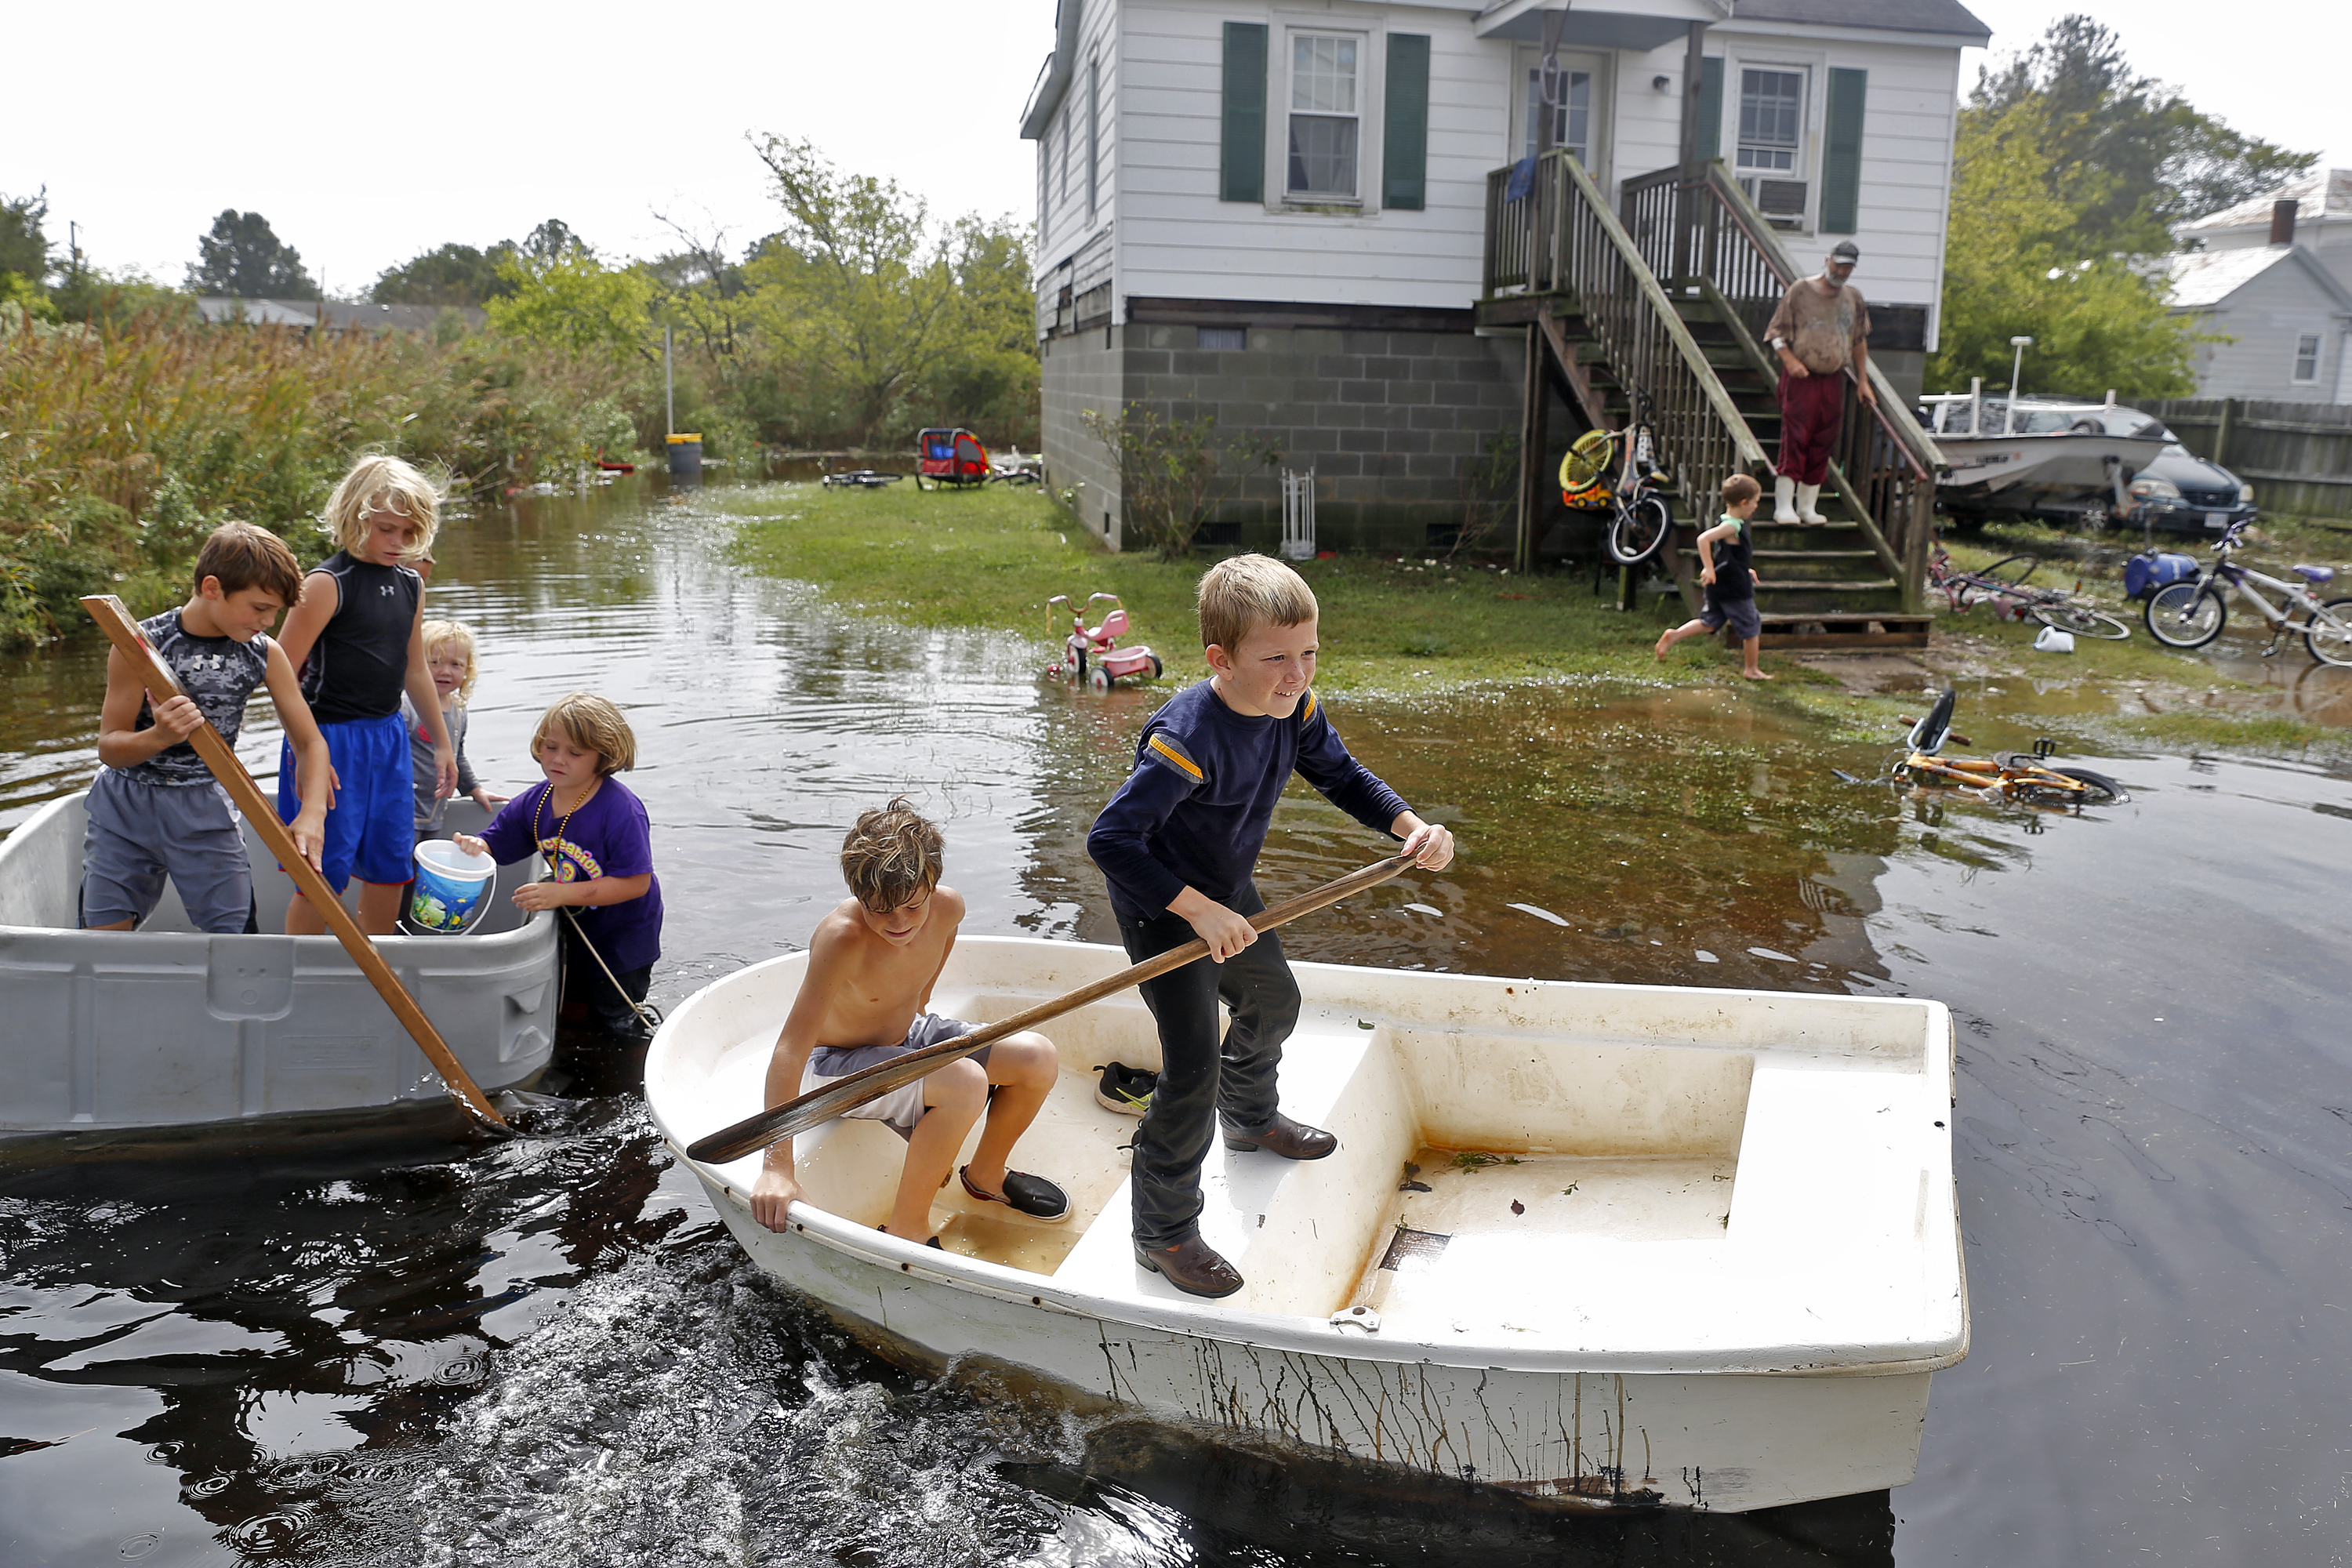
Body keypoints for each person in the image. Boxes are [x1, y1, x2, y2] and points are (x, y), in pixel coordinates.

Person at [1086, 554, 1455, 1299]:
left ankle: (1250, 1122)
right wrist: (1197, 909)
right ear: (1221, 660)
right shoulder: (1186, 737)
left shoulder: (1299, 710)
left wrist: (1409, 826)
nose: (1297, 673)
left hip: (1229, 894)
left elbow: (1344, 776)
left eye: (1309, 653)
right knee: (1191, 1070)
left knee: (1273, 1002)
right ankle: (1162, 1233)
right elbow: (1111, 841)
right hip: (1168, 911)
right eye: (1277, 658)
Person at [748, 800, 1069, 1247]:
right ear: (859, 896)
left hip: (907, 1037)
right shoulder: (842, 938)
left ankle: (986, 1175)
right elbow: (790, 1049)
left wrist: (920, 1003)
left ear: (932, 885)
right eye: (880, 910)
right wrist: (777, 1166)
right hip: (836, 1067)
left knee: (1037, 1056)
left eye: (913, 907)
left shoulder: (948, 908)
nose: (899, 923)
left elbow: (930, 963)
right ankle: (908, 1230)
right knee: (966, 1081)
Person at [82, 524, 335, 933]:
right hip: (124, 808)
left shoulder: (263, 654)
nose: (268, 622)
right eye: (258, 608)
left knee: (233, 938)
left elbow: (310, 743)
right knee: (103, 935)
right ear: (213, 587)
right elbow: (110, 748)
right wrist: (159, 736)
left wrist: (312, 815)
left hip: (205, 809)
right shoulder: (139, 644)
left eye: (276, 612)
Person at [274, 454, 456, 935]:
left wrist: (442, 742)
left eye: (409, 532)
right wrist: (305, 751)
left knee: (391, 863)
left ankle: (377, 966)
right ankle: (305, 975)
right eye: (386, 530)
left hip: (388, 737)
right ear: (355, 521)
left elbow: (414, 667)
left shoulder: (412, 583)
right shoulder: (326, 584)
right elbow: (280, 674)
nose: (399, 543)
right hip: (328, 740)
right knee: (321, 872)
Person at [456, 693, 664, 1040]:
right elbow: (501, 839)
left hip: (624, 937)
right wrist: (479, 846)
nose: (558, 759)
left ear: (604, 757)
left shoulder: (621, 810)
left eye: (575, 753)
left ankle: (628, 1064)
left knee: (614, 1019)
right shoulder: (538, 801)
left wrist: (561, 893)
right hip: (577, 924)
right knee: (573, 1005)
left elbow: (635, 883)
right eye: (550, 747)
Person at [1765, 239, 1875, 524]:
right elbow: (1776, 332)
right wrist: (1789, 360)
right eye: (1838, 264)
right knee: (1796, 436)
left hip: (1833, 377)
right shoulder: (1801, 289)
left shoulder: (1853, 297)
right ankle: (1783, 506)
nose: (1842, 271)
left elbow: (1858, 340)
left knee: (1824, 439)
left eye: (1848, 267)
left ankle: (1807, 507)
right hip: (1802, 377)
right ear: (1827, 260)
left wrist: (1863, 381)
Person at [1655, 474, 1770, 681]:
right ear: (1744, 503)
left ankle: (1675, 635)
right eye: (1755, 502)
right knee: (1751, 626)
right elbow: (1703, 539)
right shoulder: (1732, 526)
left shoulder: (1727, 520)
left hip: (1720, 585)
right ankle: (1751, 669)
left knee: (1710, 622)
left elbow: (1730, 555)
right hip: (1734, 588)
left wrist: (1745, 569)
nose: (1756, 506)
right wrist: (1708, 568)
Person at [401, 619, 505, 837]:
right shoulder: (406, 705)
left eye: (455, 664)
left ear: (468, 669)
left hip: (435, 812)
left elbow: (457, 757)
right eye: (435, 662)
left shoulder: (458, 711)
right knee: (401, 869)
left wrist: (474, 789)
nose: (445, 671)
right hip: (402, 812)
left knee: (426, 867)